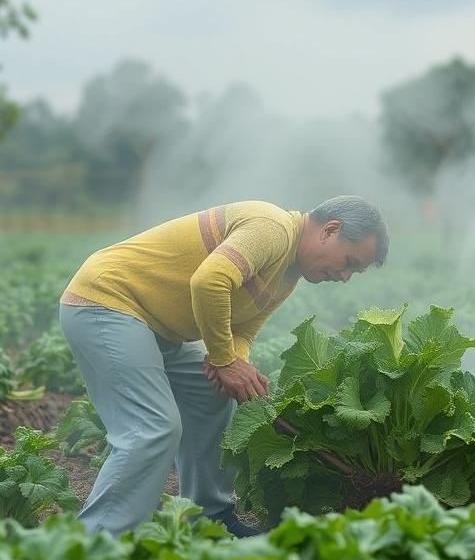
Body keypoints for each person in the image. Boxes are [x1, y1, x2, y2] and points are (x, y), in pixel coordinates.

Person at [59, 195, 388, 537]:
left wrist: (234, 365)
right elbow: (210, 280)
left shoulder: (288, 275)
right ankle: (99, 540)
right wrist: (224, 361)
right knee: (152, 427)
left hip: (155, 326)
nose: (345, 276)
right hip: (107, 303)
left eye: (354, 272)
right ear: (330, 230)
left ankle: (208, 519)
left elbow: (242, 330)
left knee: (211, 394)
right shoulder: (272, 228)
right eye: (349, 262)